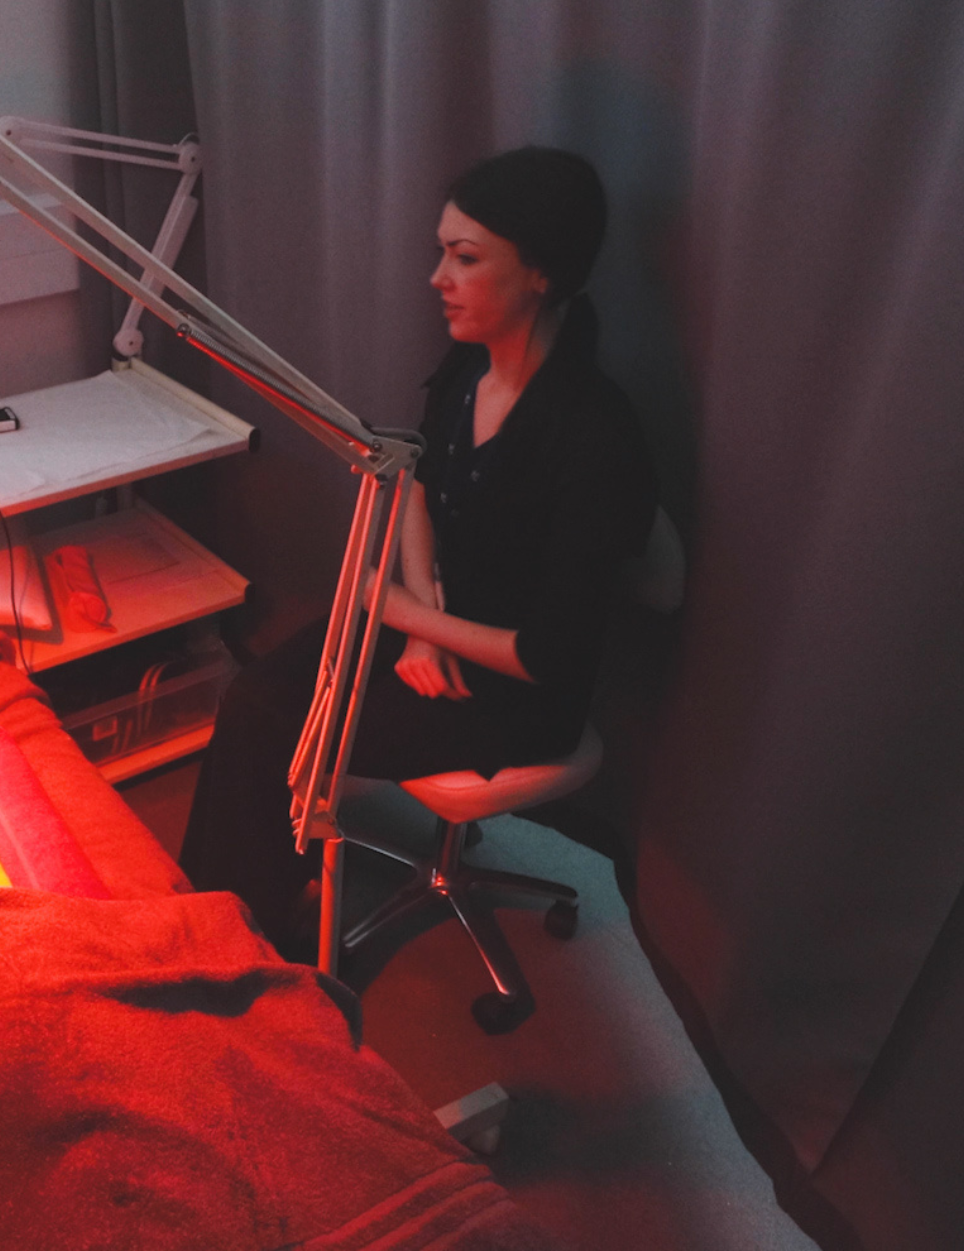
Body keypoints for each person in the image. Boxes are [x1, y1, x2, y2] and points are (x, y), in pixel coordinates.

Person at [176, 146, 658, 958]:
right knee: (261, 694)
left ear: (540, 273)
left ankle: (241, 957)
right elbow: (413, 481)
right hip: (436, 627)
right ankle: (222, 916)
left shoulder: (594, 437)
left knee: (269, 714)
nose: (438, 276)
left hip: (512, 696)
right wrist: (422, 621)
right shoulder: (471, 366)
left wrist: (394, 606)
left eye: (464, 258)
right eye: (442, 251)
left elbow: (550, 656)